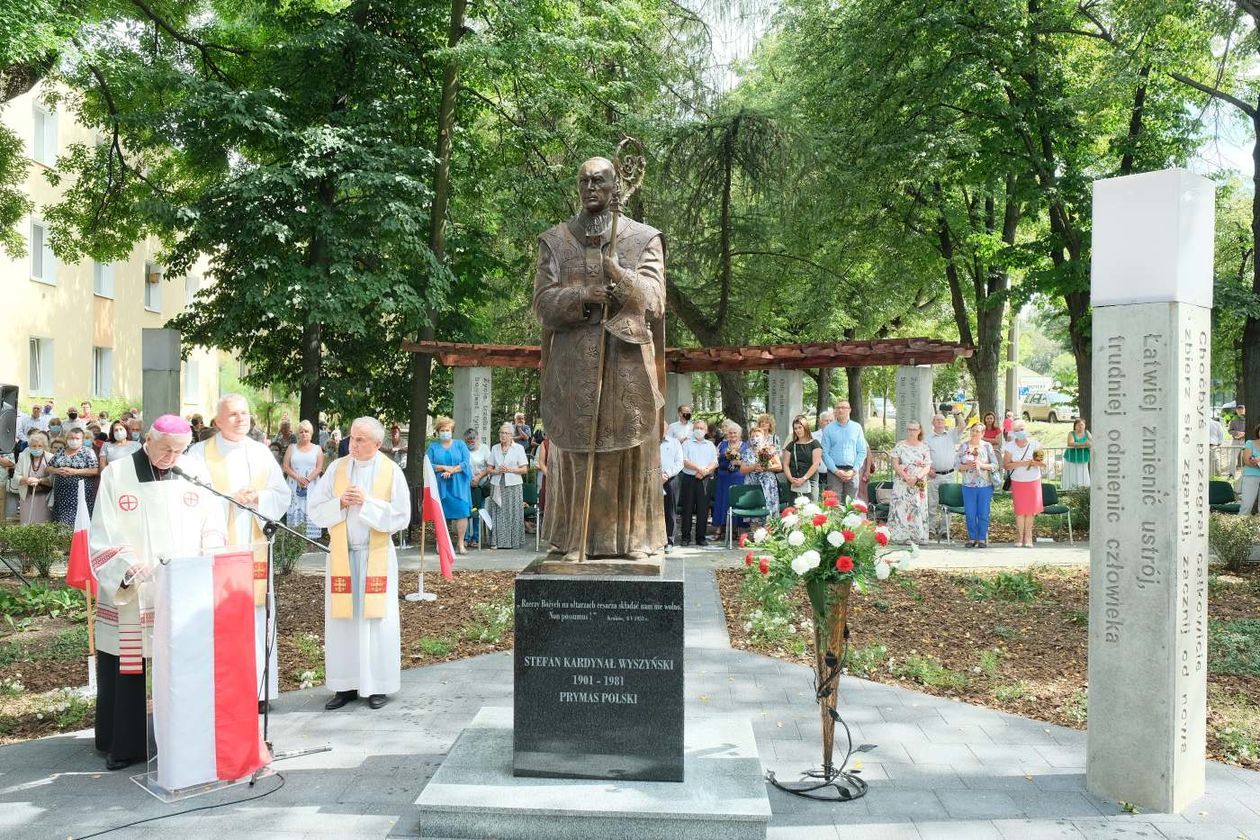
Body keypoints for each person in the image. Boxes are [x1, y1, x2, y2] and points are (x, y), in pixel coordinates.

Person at [532, 156, 666, 560]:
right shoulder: (555, 241)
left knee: (627, 448)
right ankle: (576, 541)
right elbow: (541, 304)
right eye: (583, 180)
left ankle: (633, 541)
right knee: (576, 451)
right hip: (573, 368)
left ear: (615, 187)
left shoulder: (644, 238)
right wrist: (581, 296)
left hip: (625, 365)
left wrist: (618, 274)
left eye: (599, 181)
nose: (590, 188)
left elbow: (655, 300)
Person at [88, 415, 228, 770]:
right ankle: (125, 743)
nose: (171, 457)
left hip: (181, 585)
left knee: (181, 660)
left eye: (179, 450)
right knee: (126, 662)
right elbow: (104, 530)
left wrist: (210, 551)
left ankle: (183, 736)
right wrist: (127, 567)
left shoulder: (194, 470)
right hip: (135, 587)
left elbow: (213, 520)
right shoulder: (116, 474)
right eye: (165, 449)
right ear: (147, 439)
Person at [187, 394, 291, 710]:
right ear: (217, 421)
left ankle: (258, 692)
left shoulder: (260, 453)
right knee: (220, 621)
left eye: (244, 413)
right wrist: (229, 499)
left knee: (257, 620)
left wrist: (258, 498)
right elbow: (190, 498)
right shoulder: (198, 454)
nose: (240, 419)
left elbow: (281, 495)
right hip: (217, 549)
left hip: (254, 547)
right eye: (232, 414)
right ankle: (224, 691)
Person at [307, 417, 410, 711]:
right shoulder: (337, 469)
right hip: (342, 554)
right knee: (343, 622)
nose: (353, 444)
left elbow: (402, 516)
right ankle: (345, 684)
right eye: (352, 438)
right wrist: (339, 503)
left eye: (361, 439)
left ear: (378, 444)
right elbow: (314, 508)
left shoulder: (391, 471)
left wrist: (367, 503)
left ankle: (378, 685)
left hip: (374, 555)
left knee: (376, 622)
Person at [427, 416, 472, 555]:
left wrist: (452, 470)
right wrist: (444, 468)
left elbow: (465, 463)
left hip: (459, 485)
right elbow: (429, 465)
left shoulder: (460, 445)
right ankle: (441, 543)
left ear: (452, 431)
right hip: (441, 485)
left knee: (462, 512)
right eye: (442, 430)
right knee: (442, 514)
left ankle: (460, 544)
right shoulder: (433, 447)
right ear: (438, 432)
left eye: (448, 430)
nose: (445, 432)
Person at [956, 424, 999, 547]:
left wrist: (982, 465)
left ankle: (981, 538)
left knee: (983, 513)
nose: (974, 433)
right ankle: (972, 538)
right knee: (970, 513)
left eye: (978, 431)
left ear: (982, 433)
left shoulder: (987, 446)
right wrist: (967, 466)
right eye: (973, 430)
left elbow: (995, 465)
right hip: (968, 485)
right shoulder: (963, 446)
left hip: (985, 485)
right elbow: (957, 465)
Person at [486, 423, 528, 549]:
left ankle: (514, 542)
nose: (503, 435)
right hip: (497, 483)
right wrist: (497, 471)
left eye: (506, 433)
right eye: (501, 433)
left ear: (511, 436)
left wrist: (510, 470)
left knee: (513, 512)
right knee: (498, 512)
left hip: (513, 484)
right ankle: (496, 542)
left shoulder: (518, 448)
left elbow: (524, 469)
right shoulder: (495, 448)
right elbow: (489, 469)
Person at [1003, 420, 1044, 547]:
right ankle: (1019, 537)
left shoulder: (1035, 444)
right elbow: (1006, 465)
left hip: (1033, 481)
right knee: (1020, 511)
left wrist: (1032, 462)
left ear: (1026, 430)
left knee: (1030, 511)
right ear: (1013, 432)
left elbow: (1041, 463)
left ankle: (1029, 537)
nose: (1020, 432)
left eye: (1021, 429)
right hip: (1018, 481)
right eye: (1017, 430)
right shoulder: (1009, 446)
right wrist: (1022, 463)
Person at [889, 420, 930, 544]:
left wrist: (917, 477)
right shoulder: (900, 445)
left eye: (914, 429)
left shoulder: (924, 447)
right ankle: (901, 536)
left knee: (916, 507)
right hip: (902, 481)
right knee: (901, 507)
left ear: (919, 431)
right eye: (910, 429)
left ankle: (917, 535)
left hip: (918, 482)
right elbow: (895, 463)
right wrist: (906, 477)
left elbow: (927, 466)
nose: (912, 432)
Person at [48, 428, 100, 524]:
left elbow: (95, 470)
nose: (74, 440)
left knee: (77, 521)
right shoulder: (61, 451)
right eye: (71, 438)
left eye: (77, 438)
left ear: (82, 439)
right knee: (61, 521)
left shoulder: (88, 452)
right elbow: (49, 467)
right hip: (61, 494)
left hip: (79, 494)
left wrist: (74, 472)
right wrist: (57, 470)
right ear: (67, 438)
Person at [925, 412, 964, 540]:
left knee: (947, 504)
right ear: (933, 423)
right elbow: (923, 456)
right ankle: (930, 529)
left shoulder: (951, 435)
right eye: (937, 420)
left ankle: (944, 530)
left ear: (945, 422)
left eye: (942, 420)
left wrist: (957, 413)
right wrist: (928, 468)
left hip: (949, 474)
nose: (940, 422)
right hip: (933, 475)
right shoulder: (927, 439)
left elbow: (962, 425)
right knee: (932, 504)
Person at [284, 420, 325, 540]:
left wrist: (307, 480)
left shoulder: (317, 449)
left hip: (312, 486)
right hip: (294, 484)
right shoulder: (292, 448)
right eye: (301, 432)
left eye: (306, 431)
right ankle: (295, 538)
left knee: (310, 509)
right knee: (295, 510)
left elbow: (319, 468)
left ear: (311, 433)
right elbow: (286, 467)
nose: (304, 434)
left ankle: (311, 541)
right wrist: (298, 478)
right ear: (298, 434)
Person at [679, 419, 718, 546]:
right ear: (693, 429)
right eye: (697, 428)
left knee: (703, 509)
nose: (699, 430)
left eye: (702, 428)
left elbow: (714, 462)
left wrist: (705, 471)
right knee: (688, 509)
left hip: (705, 479)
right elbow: (684, 460)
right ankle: (685, 537)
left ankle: (701, 537)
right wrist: (698, 469)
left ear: (706, 431)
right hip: (689, 478)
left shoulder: (710, 445)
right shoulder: (686, 444)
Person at [820, 400, 868, 502]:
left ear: (849, 410)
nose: (840, 410)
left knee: (851, 506)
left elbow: (862, 451)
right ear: (835, 411)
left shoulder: (856, 427)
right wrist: (836, 471)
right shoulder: (828, 429)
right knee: (834, 505)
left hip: (852, 472)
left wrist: (854, 470)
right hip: (834, 472)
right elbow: (824, 452)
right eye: (838, 408)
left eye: (843, 407)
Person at [10, 431, 53, 524]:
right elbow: (16, 475)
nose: (37, 448)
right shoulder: (23, 456)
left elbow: (53, 479)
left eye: (40, 446)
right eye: (34, 446)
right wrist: (26, 480)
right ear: (29, 446)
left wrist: (40, 480)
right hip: (27, 495)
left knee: (43, 523)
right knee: (26, 522)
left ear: (44, 446)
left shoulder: (50, 457)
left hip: (44, 496)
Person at [713, 423, 749, 535]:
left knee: (738, 501)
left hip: (739, 477)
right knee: (722, 500)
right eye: (730, 433)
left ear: (740, 434)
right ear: (727, 434)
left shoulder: (746, 446)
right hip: (723, 477)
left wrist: (739, 462)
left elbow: (749, 461)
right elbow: (715, 458)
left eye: (735, 433)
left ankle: (739, 529)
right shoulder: (722, 444)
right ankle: (719, 528)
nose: (733, 435)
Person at [741, 426, 781, 524]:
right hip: (752, 486)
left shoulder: (769, 449)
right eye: (753, 436)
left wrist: (765, 468)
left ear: (763, 437)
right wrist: (754, 467)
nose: (755, 438)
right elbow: (742, 470)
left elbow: (779, 466)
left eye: (757, 436)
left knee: (769, 514)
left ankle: (770, 535)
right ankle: (755, 534)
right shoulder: (747, 452)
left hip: (768, 486)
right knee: (754, 514)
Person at [783, 415, 823, 500]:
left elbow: (816, 464)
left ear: (805, 427)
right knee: (793, 509)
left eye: (800, 427)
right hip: (793, 482)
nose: (798, 430)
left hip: (810, 481)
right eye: (795, 428)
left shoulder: (815, 444)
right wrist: (791, 479)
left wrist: (803, 479)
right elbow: (785, 464)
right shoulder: (791, 445)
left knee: (811, 509)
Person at [464, 428, 491, 547]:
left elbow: (489, 466)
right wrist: (470, 478)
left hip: (480, 485)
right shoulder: (464, 450)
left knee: (478, 510)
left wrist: (478, 477)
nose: (470, 442)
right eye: (468, 441)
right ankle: (465, 537)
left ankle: (476, 537)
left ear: (477, 438)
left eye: (472, 440)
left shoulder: (484, 448)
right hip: (467, 484)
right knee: (466, 511)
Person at [660, 421, 684, 552]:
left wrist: (667, 474)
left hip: (670, 480)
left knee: (670, 511)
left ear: (667, 429)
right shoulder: (650, 442)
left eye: (662, 427)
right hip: (652, 479)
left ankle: (669, 541)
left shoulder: (675, 443)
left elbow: (679, 463)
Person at [1060, 418, 1092, 491]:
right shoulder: (1071, 433)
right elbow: (1070, 443)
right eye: (1078, 425)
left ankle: (1083, 488)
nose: (1080, 426)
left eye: (1082, 424)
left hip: (1083, 457)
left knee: (1083, 473)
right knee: (1071, 473)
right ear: (1075, 426)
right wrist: (1084, 444)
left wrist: (1079, 445)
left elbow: (1091, 442)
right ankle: (1070, 489)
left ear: (1084, 425)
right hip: (1071, 457)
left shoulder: (1087, 433)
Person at [1240, 423, 1260, 516]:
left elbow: (1252, 461)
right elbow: (1247, 461)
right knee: (1246, 505)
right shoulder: (1250, 443)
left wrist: (1256, 461)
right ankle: (1238, 528)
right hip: (1251, 476)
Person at [813, 409, 833, 487]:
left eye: (831, 421)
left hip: (832, 473)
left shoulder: (837, 436)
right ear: (820, 422)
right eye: (826, 420)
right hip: (817, 473)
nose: (829, 423)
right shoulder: (813, 436)